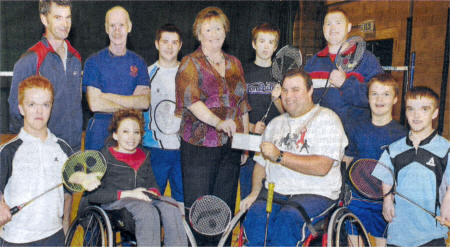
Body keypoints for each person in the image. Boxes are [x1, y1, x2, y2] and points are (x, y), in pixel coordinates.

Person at [240, 69, 348, 246]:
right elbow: (260, 164)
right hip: (276, 192)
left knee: (288, 220)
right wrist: (254, 192)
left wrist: (281, 156)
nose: (289, 95)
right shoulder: (275, 124)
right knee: (256, 217)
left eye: (295, 89)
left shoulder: (327, 119)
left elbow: (322, 167)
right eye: (285, 90)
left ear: (310, 90)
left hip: (316, 193)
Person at [175, 6, 250, 246]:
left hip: (230, 147)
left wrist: (245, 142)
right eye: (208, 29)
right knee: (200, 209)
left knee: (225, 207)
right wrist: (218, 122)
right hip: (199, 147)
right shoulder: (190, 63)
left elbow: (242, 104)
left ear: (225, 31)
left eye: (218, 28)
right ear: (198, 33)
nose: (214, 33)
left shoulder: (235, 63)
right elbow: (192, 102)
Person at [87, 109, 187, 247]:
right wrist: (128, 194)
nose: (131, 137)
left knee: (172, 207)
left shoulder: (143, 155)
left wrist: (153, 191)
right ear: (115, 135)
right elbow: (94, 195)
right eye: (125, 132)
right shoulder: (103, 157)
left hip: (140, 200)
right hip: (115, 203)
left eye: (136, 132)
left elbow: (153, 184)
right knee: (147, 212)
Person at [372, 86, 450, 247]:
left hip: (432, 234)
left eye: (424, 109)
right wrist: (387, 199)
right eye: (410, 109)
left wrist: (447, 204)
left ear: (434, 113)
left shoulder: (445, 148)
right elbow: (386, 177)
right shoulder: (393, 149)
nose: (416, 115)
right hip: (398, 234)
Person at [0, 75, 73, 246]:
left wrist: (66, 232)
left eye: (45, 105)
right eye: (32, 105)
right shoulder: (9, 151)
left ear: (51, 107)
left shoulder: (63, 149)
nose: (39, 111)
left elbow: (68, 196)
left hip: (54, 236)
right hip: (17, 239)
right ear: (21, 108)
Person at [8, 0, 83, 151]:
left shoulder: (76, 57)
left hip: (72, 148)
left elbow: (76, 102)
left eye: (68, 17)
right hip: (42, 150)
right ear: (44, 19)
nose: (65, 23)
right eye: (58, 17)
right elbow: (15, 111)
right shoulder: (30, 59)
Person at [345, 73, 407, 246]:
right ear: (368, 98)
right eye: (374, 94)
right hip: (357, 200)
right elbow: (347, 160)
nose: (380, 99)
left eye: (386, 94)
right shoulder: (356, 128)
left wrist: (391, 199)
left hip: (385, 202)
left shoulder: (402, 135)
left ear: (395, 99)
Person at [83, 6, 150, 150]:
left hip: (130, 134)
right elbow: (95, 104)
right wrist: (131, 104)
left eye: (121, 25)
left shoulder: (139, 62)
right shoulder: (93, 62)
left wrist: (106, 96)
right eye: (112, 25)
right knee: (96, 173)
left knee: (128, 173)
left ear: (129, 27)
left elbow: (144, 102)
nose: (117, 30)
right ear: (106, 28)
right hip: (99, 134)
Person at [304, 8, 383, 131]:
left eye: (338, 22)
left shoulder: (366, 59)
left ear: (349, 27)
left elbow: (380, 97)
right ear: (323, 29)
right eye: (328, 24)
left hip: (356, 138)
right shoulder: (312, 63)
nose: (333, 27)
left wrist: (345, 84)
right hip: (320, 136)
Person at [240, 23, 284, 199]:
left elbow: (290, 114)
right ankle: (245, 226)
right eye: (262, 41)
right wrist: (250, 127)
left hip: (275, 142)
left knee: (271, 196)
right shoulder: (243, 71)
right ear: (254, 44)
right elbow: (236, 110)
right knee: (247, 194)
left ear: (275, 47)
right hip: (249, 143)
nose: (266, 46)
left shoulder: (282, 74)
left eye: (270, 42)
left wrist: (277, 100)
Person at [142, 24, 184, 203]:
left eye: (174, 42)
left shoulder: (188, 73)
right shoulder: (147, 73)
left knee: (182, 202)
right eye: (165, 41)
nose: (169, 46)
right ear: (157, 44)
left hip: (183, 150)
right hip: (154, 149)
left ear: (180, 45)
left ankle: (179, 232)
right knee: (151, 201)